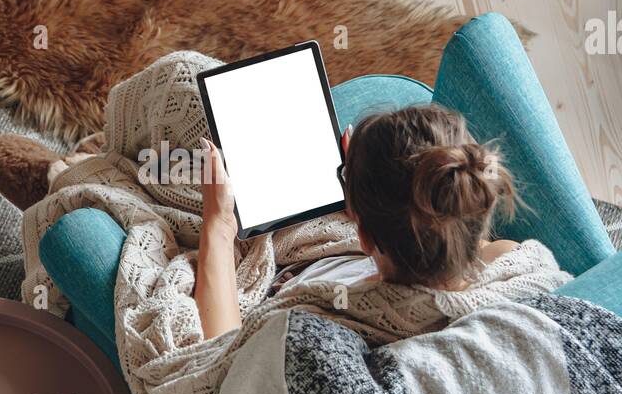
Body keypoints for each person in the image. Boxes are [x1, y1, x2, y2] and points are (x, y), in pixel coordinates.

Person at [194, 104, 525, 341]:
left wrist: (219, 225)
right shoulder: (507, 262)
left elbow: (221, 358)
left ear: (363, 235)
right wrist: (367, 183)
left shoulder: (312, 331)